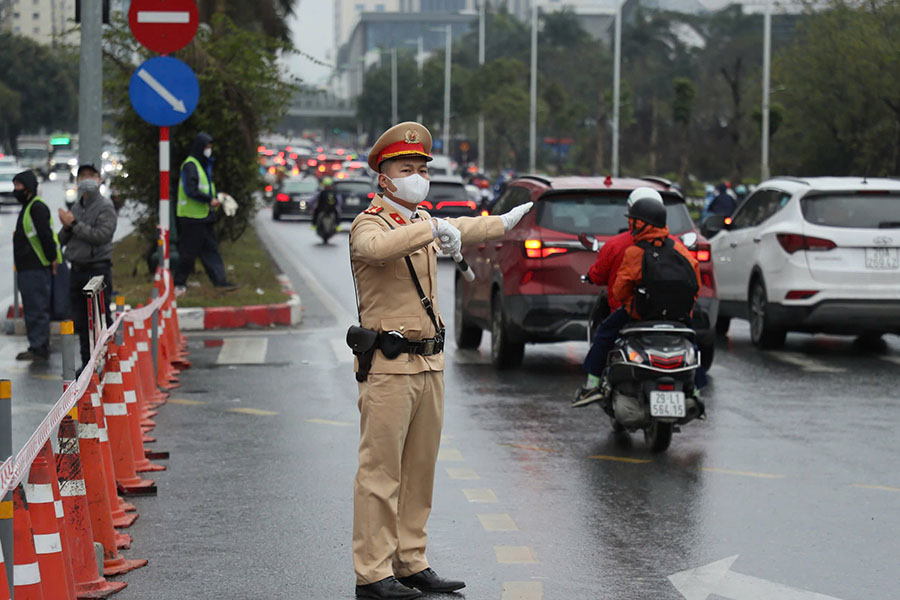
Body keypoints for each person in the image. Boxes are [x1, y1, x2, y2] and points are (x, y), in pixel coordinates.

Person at [349, 122, 532, 600]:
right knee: (380, 473)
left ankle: (410, 560)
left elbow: (461, 228)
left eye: (420, 168)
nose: (417, 176)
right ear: (384, 178)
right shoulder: (370, 224)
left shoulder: (420, 222)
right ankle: (372, 571)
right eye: (406, 169)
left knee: (420, 471)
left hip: (428, 364)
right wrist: (431, 228)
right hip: (388, 365)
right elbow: (375, 250)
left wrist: (502, 223)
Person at [573, 188, 664, 407]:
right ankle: (697, 392)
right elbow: (694, 282)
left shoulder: (621, 246)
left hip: (631, 311)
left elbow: (616, 286)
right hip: (670, 313)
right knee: (692, 339)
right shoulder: (676, 246)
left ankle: (592, 384)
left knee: (604, 333)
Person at [58, 164, 117, 368]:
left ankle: (110, 364)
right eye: (82, 176)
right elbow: (63, 238)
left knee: (100, 320)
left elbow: (101, 236)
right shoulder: (76, 206)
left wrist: (74, 225)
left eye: (91, 176)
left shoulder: (105, 207)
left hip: (97, 270)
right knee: (82, 323)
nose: (86, 180)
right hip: (77, 269)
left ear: (99, 179)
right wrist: (66, 226)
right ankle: (88, 366)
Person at [174, 132, 236, 296]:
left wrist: (216, 198)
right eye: (207, 147)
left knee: (210, 250)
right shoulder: (191, 165)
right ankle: (179, 284)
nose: (209, 150)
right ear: (200, 147)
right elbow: (191, 190)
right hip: (191, 217)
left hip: (204, 216)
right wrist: (209, 200)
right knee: (189, 252)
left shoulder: (202, 165)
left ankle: (220, 281)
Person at [12, 169, 61, 361]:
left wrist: (51, 259)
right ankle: (37, 345)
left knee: (37, 309)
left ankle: (39, 348)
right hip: (29, 268)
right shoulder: (28, 206)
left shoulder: (36, 207)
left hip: (36, 267)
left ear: (29, 187)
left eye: (19, 185)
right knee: (33, 308)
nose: (16, 189)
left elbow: (46, 237)